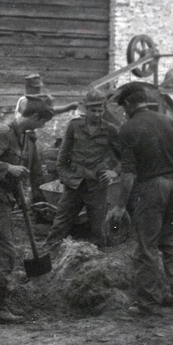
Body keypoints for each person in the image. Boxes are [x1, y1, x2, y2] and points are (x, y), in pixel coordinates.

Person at [107, 83, 173, 316]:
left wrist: (120, 205)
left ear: (129, 104)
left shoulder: (128, 129)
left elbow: (128, 173)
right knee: (172, 242)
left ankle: (149, 303)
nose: (124, 112)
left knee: (147, 246)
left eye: (124, 108)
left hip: (150, 189)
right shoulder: (169, 121)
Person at [0, 95, 53, 324]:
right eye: (43, 122)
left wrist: (22, 195)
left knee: (5, 251)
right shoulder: (4, 133)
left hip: (4, 199)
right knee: (4, 251)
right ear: (35, 117)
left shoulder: (24, 137)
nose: (43, 126)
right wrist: (8, 167)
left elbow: (22, 172)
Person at [41, 89, 120, 251]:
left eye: (100, 110)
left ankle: (98, 264)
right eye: (93, 111)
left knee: (98, 229)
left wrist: (115, 172)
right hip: (74, 185)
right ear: (86, 109)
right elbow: (62, 157)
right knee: (59, 225)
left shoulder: (110, 130)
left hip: (96, 187)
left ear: (104, 110)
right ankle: (48, 256)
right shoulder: (74, 126)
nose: (97, 114)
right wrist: (65, 178)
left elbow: (125, 157)